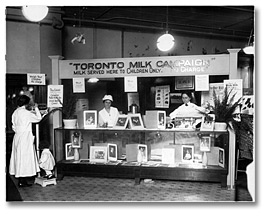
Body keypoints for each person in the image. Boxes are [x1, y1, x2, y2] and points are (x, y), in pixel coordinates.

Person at [9, 95, 43, 187]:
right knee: (25, 157)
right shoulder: (26, 113)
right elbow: (38, 118)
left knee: (19, 157)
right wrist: (36, 108)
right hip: (25, 137)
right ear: (26, 103)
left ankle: (21, 179)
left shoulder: (15, 112)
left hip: (18, 136)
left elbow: (13, 126)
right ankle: (22, 180)